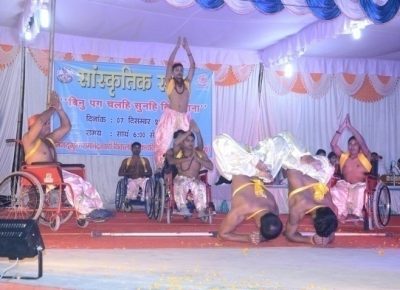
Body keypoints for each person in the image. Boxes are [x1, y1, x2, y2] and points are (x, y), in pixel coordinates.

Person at [22, 91, 104, 216]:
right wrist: (52, 108)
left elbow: (67, 127)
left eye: (49, 123)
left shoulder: (49, 139)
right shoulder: (28, 139)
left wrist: (59, 109)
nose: (48, 126)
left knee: (82, 182)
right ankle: (87, 211)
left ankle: (96, 207)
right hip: (40, 176)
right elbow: (39, 122)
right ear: (33, 127)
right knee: (74, 183)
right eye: (46, 124)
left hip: (54, 174)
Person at [213, 134, 283, 244]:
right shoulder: (242, 209)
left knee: (281, 142)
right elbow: (222, 234)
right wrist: (248, 238)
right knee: (219, 141)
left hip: (258, 159)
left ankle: (257, 166)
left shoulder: (273, 207)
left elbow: (273, 223)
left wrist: (262, 237)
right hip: (240, 161)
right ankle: (255, 164)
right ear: (259, 225)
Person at [154, 36, 195, 170]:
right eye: (177, 71)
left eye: (181, 71)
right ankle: (160, 166)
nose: (179, 72)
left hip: (183, 117)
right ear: (173, 73)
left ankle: (184, 166)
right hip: (171, 116)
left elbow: (193, 67)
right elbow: (169, 64)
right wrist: (177, 47)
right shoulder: (170, 83)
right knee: (163, 141)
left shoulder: (187, 84)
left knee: (186, 141)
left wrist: (188, 50)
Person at [330, 114, 371, 222]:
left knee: (360, 190)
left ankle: (356, 214)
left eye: (355, 144)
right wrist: (342, 128)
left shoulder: (365, 156)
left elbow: (362, 142)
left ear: (359, 147)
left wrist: (351, 127)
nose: (352, 146)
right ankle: (341, 213)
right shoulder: (344, 156)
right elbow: (333, 145)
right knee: (335, 190)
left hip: (360, 185)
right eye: (350, 144)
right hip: (346, 184)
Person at [171, 129, 213, 218]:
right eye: (187, 140)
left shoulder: (199, 153)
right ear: (182, 142)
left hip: (195, 179)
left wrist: (198, 159)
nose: (190, 143)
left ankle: (201, 210)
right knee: (180, 184)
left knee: (200, 186)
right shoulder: (178, 152)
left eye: (192, 141)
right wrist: (189, 131)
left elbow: (211, 166)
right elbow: (175, 143)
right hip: (181, 177)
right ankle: (183, 208)